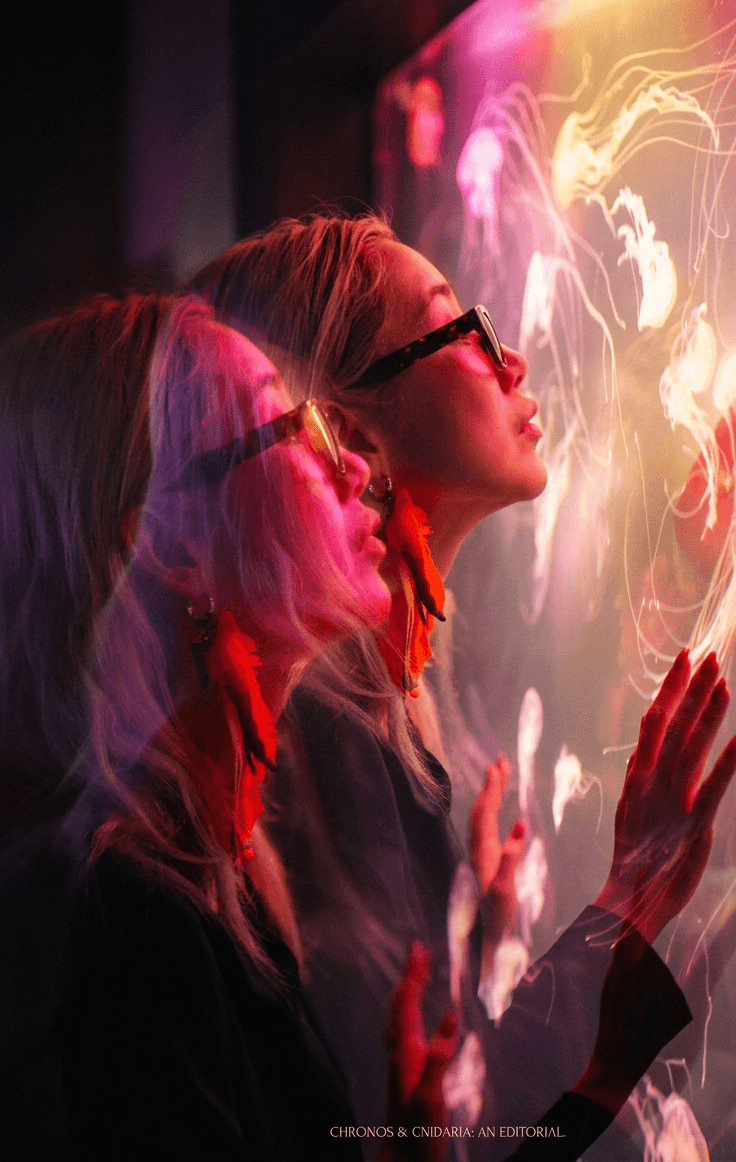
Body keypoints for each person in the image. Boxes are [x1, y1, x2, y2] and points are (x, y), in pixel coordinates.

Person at [193, 214, 736, 1152]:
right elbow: (433, 1133)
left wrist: (485, 950)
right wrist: (625, 904)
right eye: (464, 326)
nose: (512, 359)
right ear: (352, 429)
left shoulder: (387, 713)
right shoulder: (319, 740)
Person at [0, 294, 458, 1160]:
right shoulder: (137, 934)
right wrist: (600, 1071)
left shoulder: (208, 875)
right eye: (293, 430)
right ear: (173, 551)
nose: (354, 466)